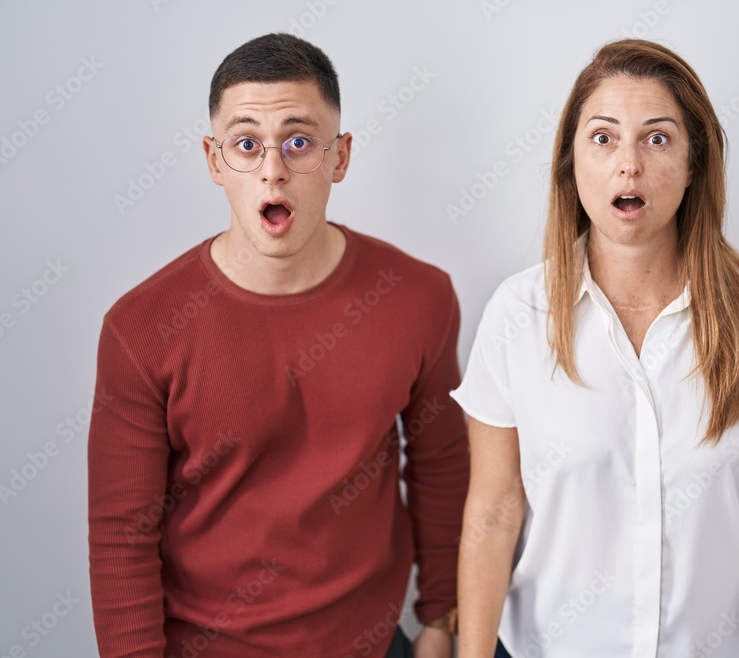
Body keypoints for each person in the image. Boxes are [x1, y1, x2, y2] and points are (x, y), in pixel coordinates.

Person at [87, 33, 466, 658]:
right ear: (214, 162)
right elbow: (120, 533)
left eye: (298, 141)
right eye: (246, 144)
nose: (273, 168)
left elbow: (442, 469)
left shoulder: (420, 298)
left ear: (339, 158)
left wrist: (440, 621)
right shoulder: (139, 328)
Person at [450, 38, 739, 658]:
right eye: (603, 137)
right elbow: (493, 513)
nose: (629, 164)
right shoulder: (516, 314)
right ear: (571, 164)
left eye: (657, 138)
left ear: (692, 164)